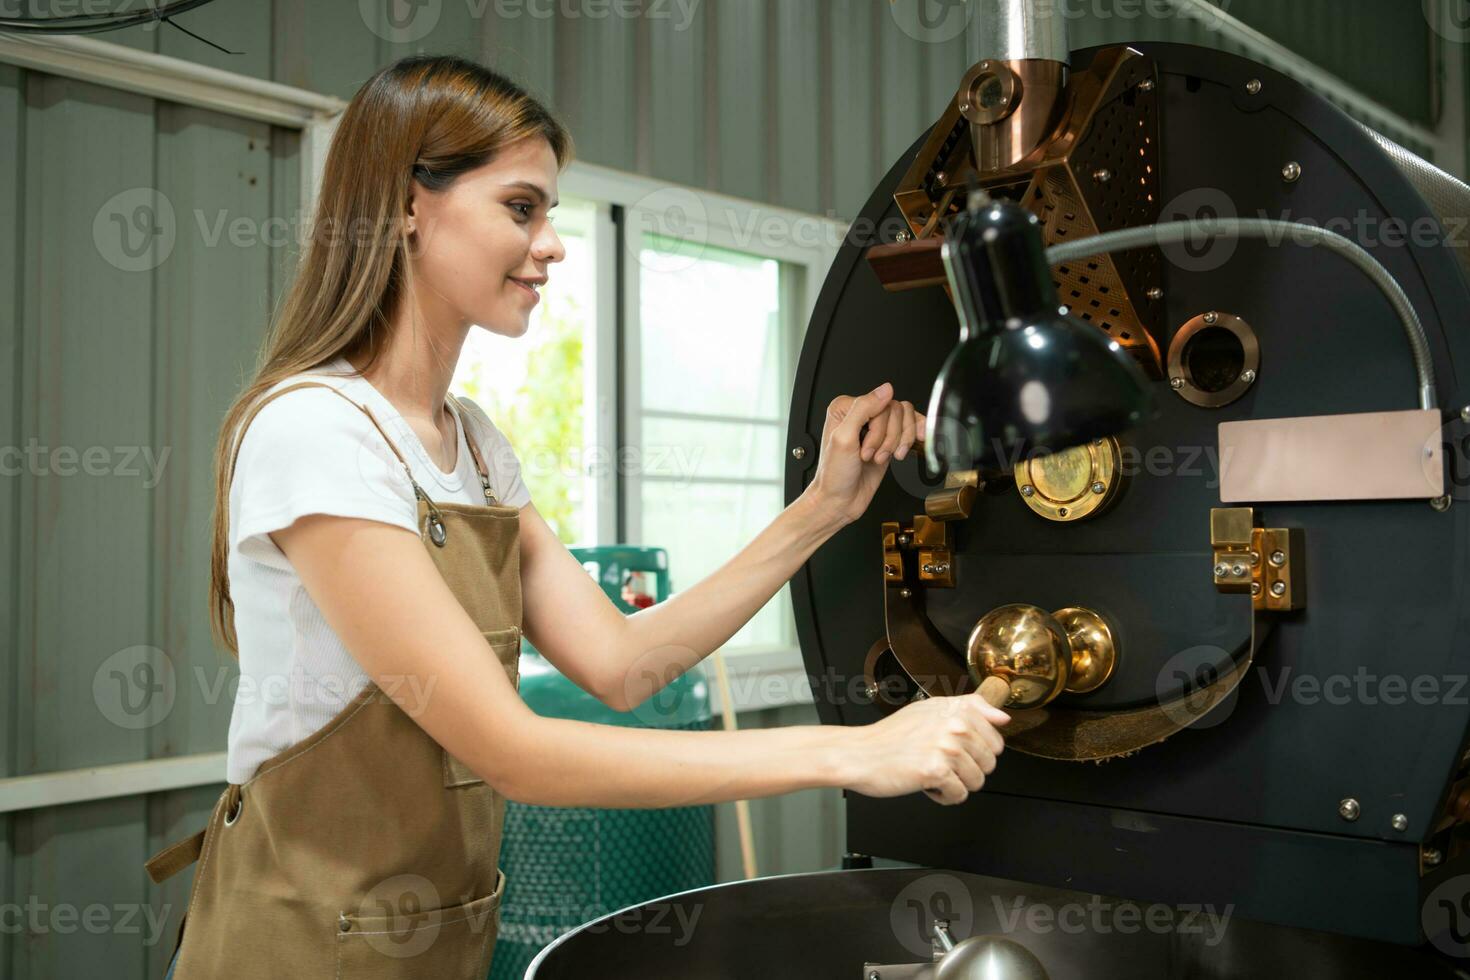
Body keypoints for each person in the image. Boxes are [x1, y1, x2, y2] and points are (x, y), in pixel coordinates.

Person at [147, 54, 1009, 980]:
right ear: (405, 205)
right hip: (300, 943)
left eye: (550, 212)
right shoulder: (317, 430)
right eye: (522, 208)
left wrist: (819, 512)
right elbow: (513, 754)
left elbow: (624, 665)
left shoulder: (473, 444)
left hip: (434, 935)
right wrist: (857, 751)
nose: (552, 242)